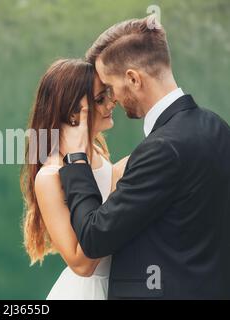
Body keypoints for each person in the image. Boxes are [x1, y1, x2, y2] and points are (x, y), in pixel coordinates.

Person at [60, 15, 230, 299]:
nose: (111, 100)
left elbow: (93, 237)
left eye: (110, 87)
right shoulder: (218, 127)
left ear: (133, 79)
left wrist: (76, 160)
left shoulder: (161, 149)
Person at [20, 58, 128, 299]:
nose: (113, 102)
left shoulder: (98, 152)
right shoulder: (50, 176)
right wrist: (122, 183)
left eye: (108, 93)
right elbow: (82, 264)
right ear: (72, 113)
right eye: (100, 99)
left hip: (120, 284)